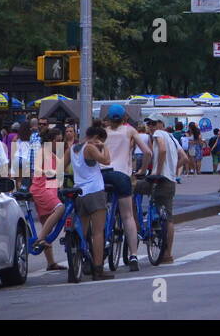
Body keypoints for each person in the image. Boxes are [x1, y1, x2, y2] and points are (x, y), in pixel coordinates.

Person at [102, 104, 151, 272]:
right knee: (128, 216)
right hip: (122, 176)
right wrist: (142, 170)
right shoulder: (129, 131)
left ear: (108, 117)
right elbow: (147, 152)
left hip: (102, 175)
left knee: (99, 213)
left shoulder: (102, 132)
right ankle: (134, 256)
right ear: (124, 118)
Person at [72, 122, 113, 280]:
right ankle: (98, 269)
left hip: (79, 193)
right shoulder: (90, 147)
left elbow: (63, 165)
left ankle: (79, 262)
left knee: (83, 231)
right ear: (96, 137)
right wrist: (104, 146)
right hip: (95, 192)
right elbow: (106, 161)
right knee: (97, 233)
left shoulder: (74, 148)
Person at [30, 127, 65, 271]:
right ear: (52, 140)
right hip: (41, 189)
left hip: (49, 188)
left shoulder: (51, 154)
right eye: (58, 140)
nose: (60, 143)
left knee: (47, 223)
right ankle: (40, 239)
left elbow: (63, 166)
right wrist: (48, 171)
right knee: (60, 208)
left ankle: (51, 263)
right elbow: (37, 169)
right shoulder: (43, 151)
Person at [144, 119, 177, 264]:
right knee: (169, 218)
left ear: (160, 124)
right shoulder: (172, 138)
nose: (150, 127)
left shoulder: (158, 134)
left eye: (153, 124)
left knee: (129, 188)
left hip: (160, 179)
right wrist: (175, 172)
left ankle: (135, 225)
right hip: (170, 180)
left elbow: (162, 150)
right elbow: (183, 158)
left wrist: (157, 171)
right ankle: (168, 254)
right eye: (148, 124)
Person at [13, 122, 35, 191]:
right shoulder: (31, 138)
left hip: (17, 158)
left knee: (18, 179)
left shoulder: (17, 139)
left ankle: (19, 193)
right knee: (25, 179)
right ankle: (24, 194)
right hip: (26, 159)